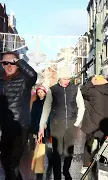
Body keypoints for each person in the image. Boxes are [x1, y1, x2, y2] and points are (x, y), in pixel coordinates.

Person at [38, 66, 85, 180]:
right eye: (64, 79)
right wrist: (41, 125)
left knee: (69, 151)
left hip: (71, 123)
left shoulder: (75, 89)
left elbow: (81, 106)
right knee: (57, 151)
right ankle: (57, 175)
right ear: (59, 78)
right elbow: (46, 108)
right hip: (56, 123)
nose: (66, 81)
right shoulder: (52, 90)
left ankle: (66, 170)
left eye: (68, 79)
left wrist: (77, 122)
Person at [0, 51, 37, 179]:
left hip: (20, 126)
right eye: (5, 63)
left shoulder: (24, 80)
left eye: (13, 62)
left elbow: (33, 75)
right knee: (5, 161)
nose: (9, 65)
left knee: (12, 162)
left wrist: (19, 61)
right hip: (5, 127)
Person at [80, 75, 108, 176]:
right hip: (106, 124)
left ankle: (85, 166)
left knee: (89, 144)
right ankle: (102, 167)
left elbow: (81, 91)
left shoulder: (93, 91)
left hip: (93, 123)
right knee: (104, 146)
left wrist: (91, 82)